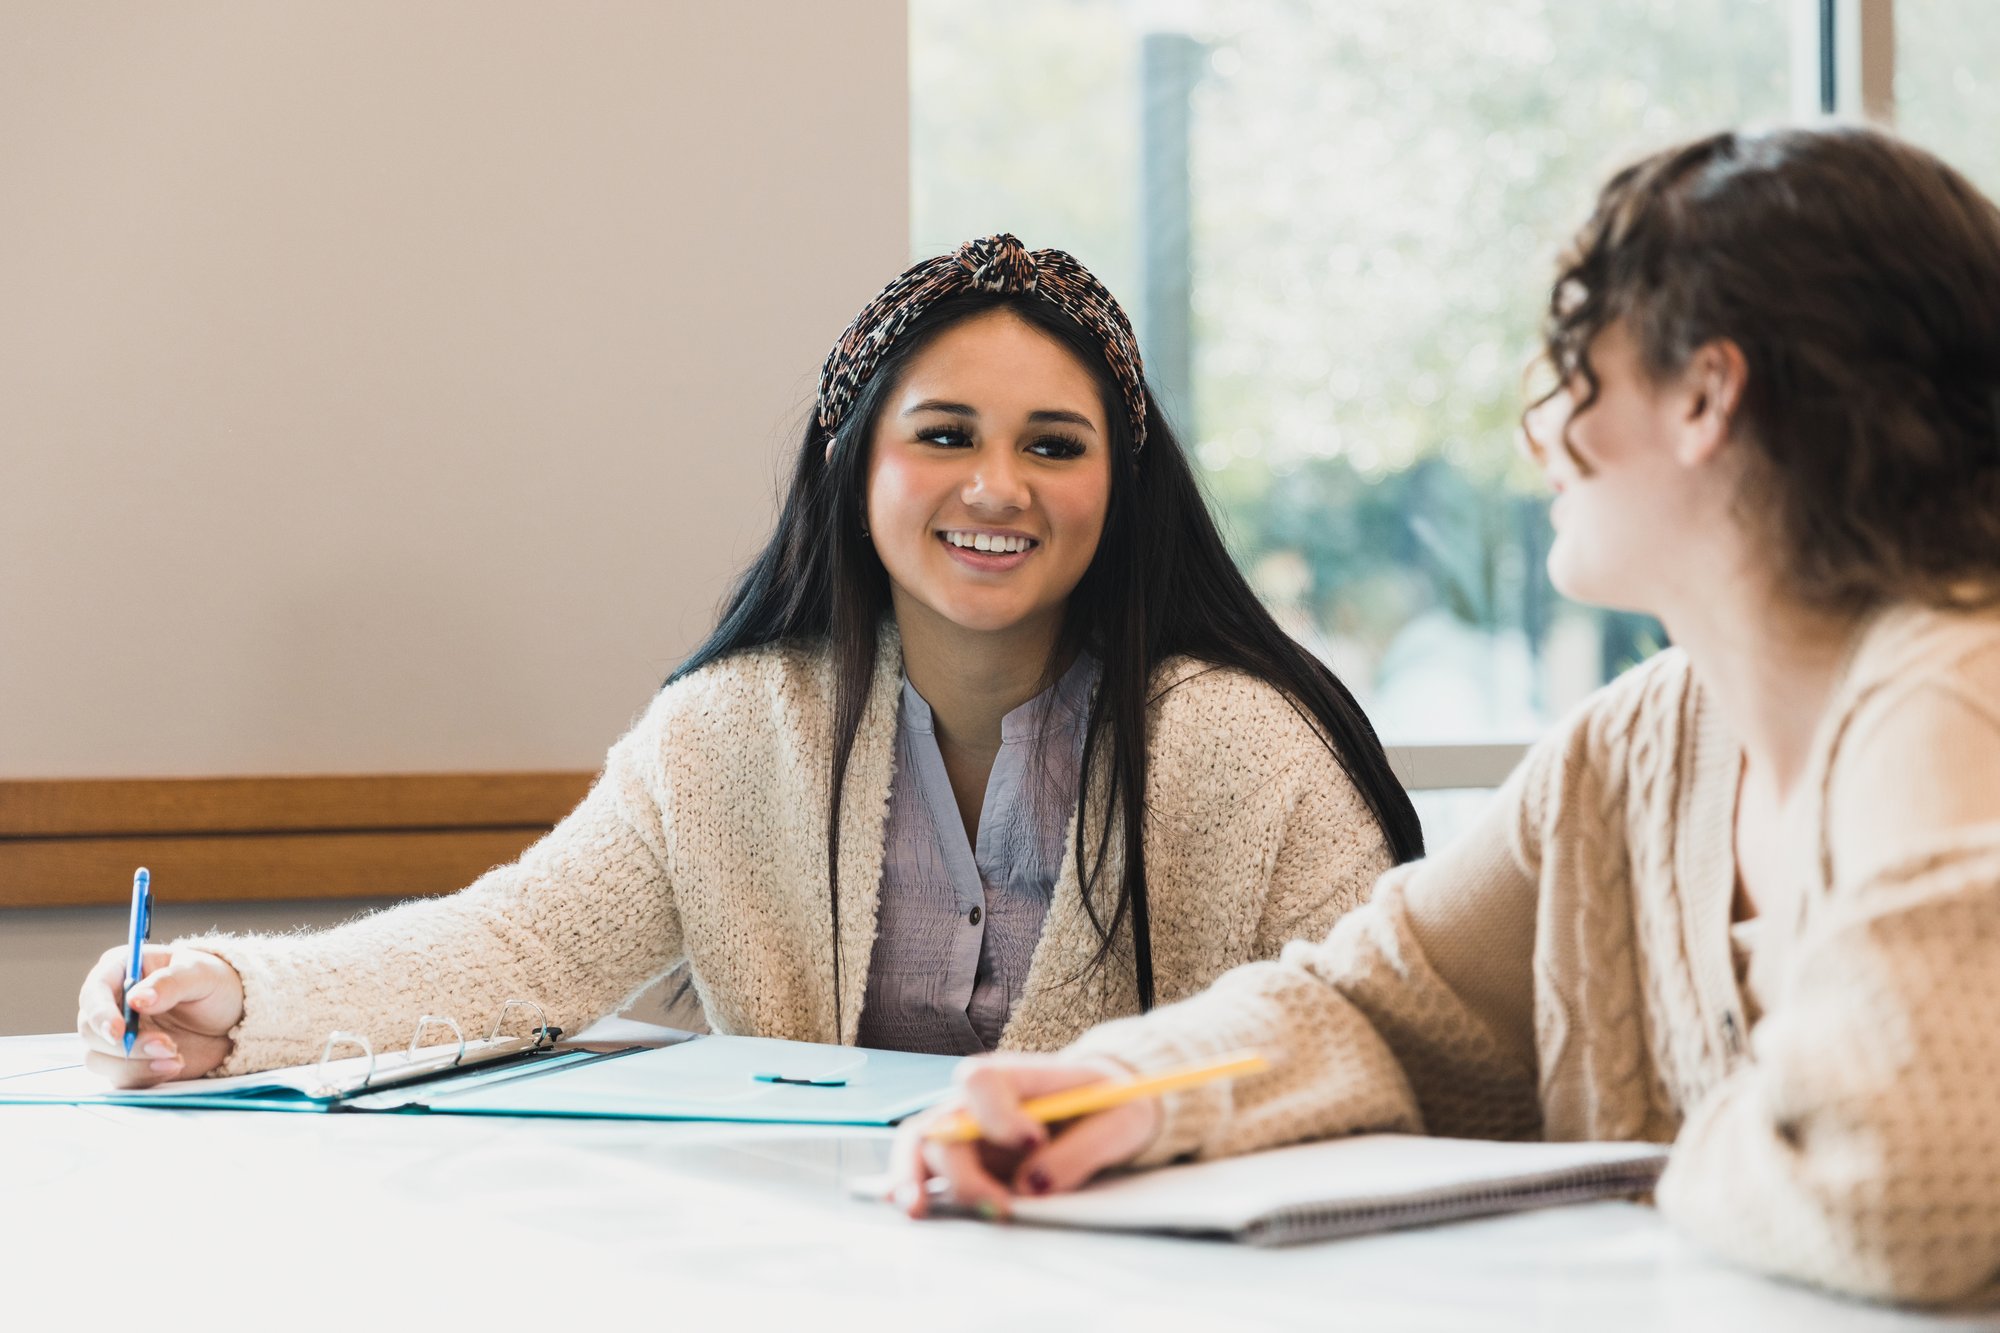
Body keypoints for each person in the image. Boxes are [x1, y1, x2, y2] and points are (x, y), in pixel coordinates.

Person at [891, 130, 2000, 1307]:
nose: (1537, 434)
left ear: (1705, 395)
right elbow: (1374, 1007)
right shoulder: (1635, 748)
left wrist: (1640, 1173)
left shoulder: (1948, 691)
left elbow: (1894, 1188)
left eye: (1575, 370)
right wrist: (1105, 1095)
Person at [74, 234, 1422, 1087]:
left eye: (1055, 445)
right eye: (944, 435)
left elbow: (1385, 1040)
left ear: (1122, 488)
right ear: (854, 469)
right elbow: (520, 949)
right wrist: (240, 1001)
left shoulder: (1248, 746)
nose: (998, 487)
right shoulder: (729, 729)